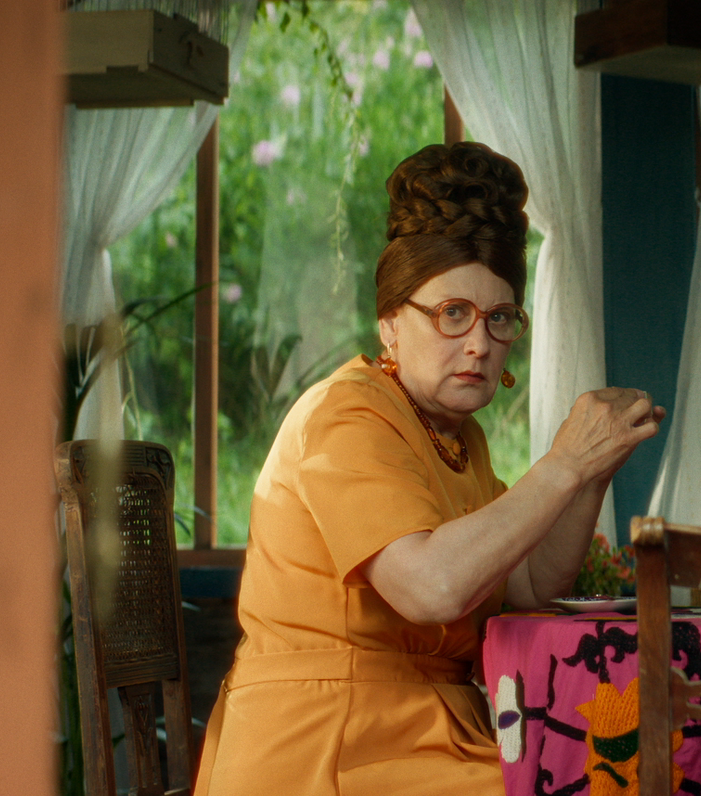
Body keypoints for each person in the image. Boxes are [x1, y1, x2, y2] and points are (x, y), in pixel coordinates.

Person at [194, 142, 664, 796]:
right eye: (452, 314)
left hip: (431, 735)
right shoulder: (345, 416)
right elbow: (432, 587)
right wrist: (564, 463)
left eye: (499, 318)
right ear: (390, 322)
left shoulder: (460, 439)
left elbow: (530, 583)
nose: (479, 344)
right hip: (325, 745)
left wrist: (592, 471)